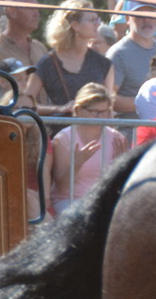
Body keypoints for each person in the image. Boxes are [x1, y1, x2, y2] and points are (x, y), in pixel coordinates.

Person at [48, 84, 129, 215]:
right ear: (79, 110)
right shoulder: (63, 138)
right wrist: (78, 162)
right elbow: (62, 188)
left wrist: (121, 166)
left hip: (103, 201)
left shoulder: (117, 138)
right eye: (95, 112)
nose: (101, 117)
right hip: (70, 201)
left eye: (105, 112)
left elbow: (123, 184)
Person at [30, 0, 112, 117]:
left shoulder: (104, 64)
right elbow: (25, 105)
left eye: (97, 19)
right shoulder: (47, 63)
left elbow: (109, 109)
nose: (98, 24)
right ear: (75, 25)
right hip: (61, 133)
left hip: (97, 133)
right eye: (92, 20)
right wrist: (59, 108)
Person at [106, 0, 156, 116]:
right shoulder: (117, 54)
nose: (147, 19)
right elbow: (108, 97)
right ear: (127, 18)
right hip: (130, 128)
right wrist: (149, 102)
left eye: (151, 14)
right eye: (140, 15)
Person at [0, 0, 48, 65]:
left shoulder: (40, 48)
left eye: (37, 9)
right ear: (11, 12)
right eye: (31, 8)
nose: (37, 15)